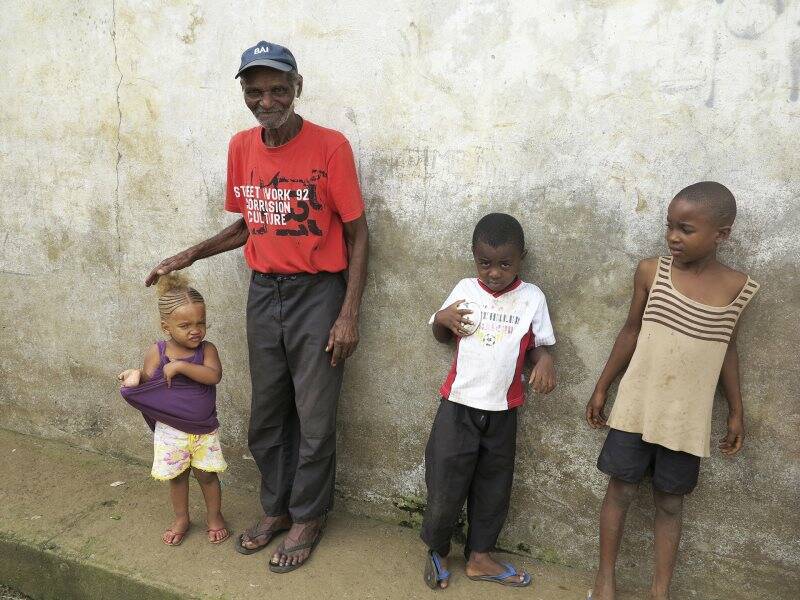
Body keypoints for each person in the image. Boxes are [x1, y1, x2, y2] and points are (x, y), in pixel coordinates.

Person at [144, 40, 368, 572]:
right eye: (254, 91)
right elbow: (248, 223)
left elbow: (359, 235)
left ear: (297, 89)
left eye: (276, 89)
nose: (265, 100)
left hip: (319, 293)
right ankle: (277, 509)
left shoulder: (331, 147)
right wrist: (191, 251)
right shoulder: (242, 145)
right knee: (268, 414)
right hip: (264, 292)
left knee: (314, 415)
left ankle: (309, 515)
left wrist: (348, 313)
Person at [585, 182, 760, 600]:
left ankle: (659, 591)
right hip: (637, 407)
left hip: (685, 418)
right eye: (669, 227)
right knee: (620, 490)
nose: (673, 237)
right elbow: (630, 331)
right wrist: (602, 386)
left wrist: (736, 411)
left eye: (685, 229)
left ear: (722, 233)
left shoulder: (737, 287)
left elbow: (727, 350)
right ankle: (604, 581)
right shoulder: (651, 272)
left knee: (670, 503)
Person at [421, 213, 557, 590]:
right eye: (485, 263)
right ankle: (437, 548)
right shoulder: (465, 288)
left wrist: (544, 361)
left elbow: (538, 346)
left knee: (493, 487)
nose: (494, 273)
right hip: (458, 406)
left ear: (521, 258)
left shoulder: (531, 298)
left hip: (503, 411)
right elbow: (440, 332)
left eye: (504, 264)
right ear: (473, 257)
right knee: (445, 482)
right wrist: (441, 318)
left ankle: (480, 556)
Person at [118, 273, 227, 546]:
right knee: (177, 478)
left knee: (207, 476)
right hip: (171, 432)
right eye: (185, 325)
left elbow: (213, 376)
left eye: (200, 322)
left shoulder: (207, 350)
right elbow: (150, 382)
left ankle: (215, 517)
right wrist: (135, 376)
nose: (195, 330)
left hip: (203, 431)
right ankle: (182, 518)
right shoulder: (157, 351)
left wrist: (181, 367)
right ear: (166, 327)